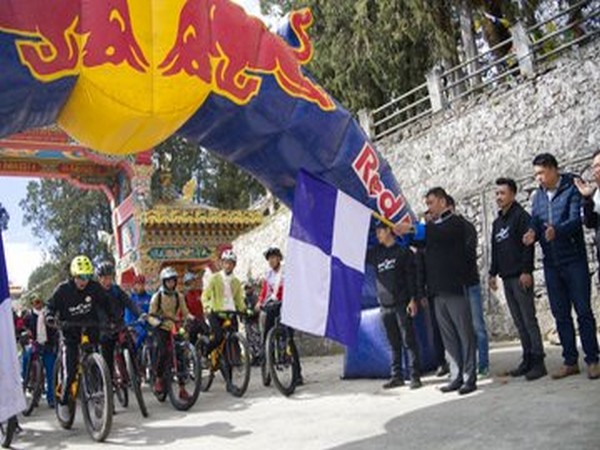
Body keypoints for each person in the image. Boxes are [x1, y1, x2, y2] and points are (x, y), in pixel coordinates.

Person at [523, 153, 599, 379]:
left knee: (583, 311)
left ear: (553, 169)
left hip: (573, 259)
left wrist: (558, 230)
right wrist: (532, 233)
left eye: (541, 173)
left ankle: (593, 359)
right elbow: (535, 220)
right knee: (560, 313)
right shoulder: (538, 197)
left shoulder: (571, 187)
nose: (538, 178)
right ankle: (570, 361)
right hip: (551, 263)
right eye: (536, 174)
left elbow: (578, 220)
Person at [396, 187, 477, 395]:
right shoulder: (431, 229)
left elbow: (434, 233)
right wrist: (401, 233)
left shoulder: (455, 224)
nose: (428, 208)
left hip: (454, 288)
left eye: (431, 203)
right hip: (436, 291)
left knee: (464, 334)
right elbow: (413, 242)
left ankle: (469, 376)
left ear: (442, 202)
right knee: (448, 337)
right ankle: (456, 374)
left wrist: (411, 228)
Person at [489, 177, 546, 380]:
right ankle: (527, 358)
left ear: (512, 194)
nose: (499, 197)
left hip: (520, 277)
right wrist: (492, 273)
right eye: (497, 193)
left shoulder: (521, 217)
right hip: (506, 278)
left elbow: (527, 246)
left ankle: (539, 361)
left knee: (529, 319)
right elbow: (495, 250)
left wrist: (526, 271)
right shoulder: (496, 223)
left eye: (502, 193)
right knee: (519, 321)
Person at [45, 255, 116, 414]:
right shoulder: (63, 290)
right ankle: (63, 395)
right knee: (70, 370)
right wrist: (50, 316)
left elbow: (106, 302)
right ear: (73, 276)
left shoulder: (94, 287)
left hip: (90, 328)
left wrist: (112, 319)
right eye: (80, 277)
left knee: (96, 363)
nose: (84, 281)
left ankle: (98, 394)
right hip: (70, 331)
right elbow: (50, 306)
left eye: (87, 276)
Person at [366, 222, 422, 390]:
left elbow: (411, 278)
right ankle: (396, 376)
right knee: (393, 342)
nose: (378, 235)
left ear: (389, 230)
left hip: (401, 303)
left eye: (380, 232)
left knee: (408, 340)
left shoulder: (402, 251)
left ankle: (414, 376)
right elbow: (357, 252)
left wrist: (413, 299)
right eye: (376, 233)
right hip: (385, 305)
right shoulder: (376, 253)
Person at [447, 195, 490, 378]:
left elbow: (467, 255)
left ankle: (483, 365)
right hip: (453, 287)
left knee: (477, 325)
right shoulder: (441, 231)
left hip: (469, 283)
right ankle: (465, 366)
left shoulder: (466, 227)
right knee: (459, 329)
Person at [256, 247, 303, 385]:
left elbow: (294, 286)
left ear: (279, 258)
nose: (271, 260)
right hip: (273, 305)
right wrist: (259, 302)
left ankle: (298, 374)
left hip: (286, 305)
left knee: (289, 338)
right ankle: (266, 360)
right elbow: (264, 292)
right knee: (266, 336)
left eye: (274, 257)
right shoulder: (268, 275)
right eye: (269, 258)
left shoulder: (286, 271)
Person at [149, 266, 194, 398]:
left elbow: (185, 312)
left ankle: (182, 389)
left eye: (173, 281)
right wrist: (157, 323)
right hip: (162, 327)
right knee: (163, 352)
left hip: (174, 327)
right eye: (168, 281)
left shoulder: (178, 296)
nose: (171, 283)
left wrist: (191, 318)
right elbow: (150, 315)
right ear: (163, 282)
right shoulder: (157, 296)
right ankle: (158, 379)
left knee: (180, 356)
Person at [95, 262, 144, 385]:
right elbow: (98, 311)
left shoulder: (116, 290)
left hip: (119, 325)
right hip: (105, 328)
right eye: (104, 278)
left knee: (131, 346)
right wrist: (105, 323)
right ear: (99, 278)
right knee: (107, 357)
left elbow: (129, 303)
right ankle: (109, 382)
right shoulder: (96, 293)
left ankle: (134, 374)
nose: (107, 281)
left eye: (110, 277)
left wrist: (140, 314)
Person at [201, 250, 247, 358]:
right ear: (222, 263)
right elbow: (205, 296)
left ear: (234, 265)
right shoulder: (214, 278)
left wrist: (244, 310)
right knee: (218, 337)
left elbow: (238, 299)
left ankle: (233, 361)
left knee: (232, 339)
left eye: (231, 263)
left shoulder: (236, 282)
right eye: (226, 262)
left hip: (230, 313)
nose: (228, 265)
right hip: (215, 313)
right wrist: (207, 307)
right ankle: (204, 354)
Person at [21, 296, 58, 408]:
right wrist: (26, 333)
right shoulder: (28, 316)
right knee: (26, 361)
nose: (38, 304)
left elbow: (55, 328)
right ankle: (27, 383)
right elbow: (22, 328)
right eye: (36, 302)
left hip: (48, 346)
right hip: (35, 345)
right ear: (32, 303)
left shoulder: (48, 313)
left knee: (51, 372)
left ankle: (51, 399)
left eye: (40, 301)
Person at [575, 150, 600, 278]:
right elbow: (590, 223)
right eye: (595, 166)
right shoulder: (595, 195)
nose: (597, 169)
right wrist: (586, 199)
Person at [125, 274, 152, 350]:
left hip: (147, 324)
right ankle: (136, 352)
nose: (141, 286)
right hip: (135, 325)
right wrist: (129, 325)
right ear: (134, 285)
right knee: (142, 334)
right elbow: (128, 315)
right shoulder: (131, 299)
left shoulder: (150, 298)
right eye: (138, 284)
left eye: (142, 284)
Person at [183, 271, 208, 344]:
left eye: (193, 282)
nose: (192, 284)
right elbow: (183, 309)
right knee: (192, 338)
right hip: (191, 321)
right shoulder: (185, 296)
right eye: (189, 283)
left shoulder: (200, 292)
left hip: (201, 319)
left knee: (208, 334)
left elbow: (206, 301)